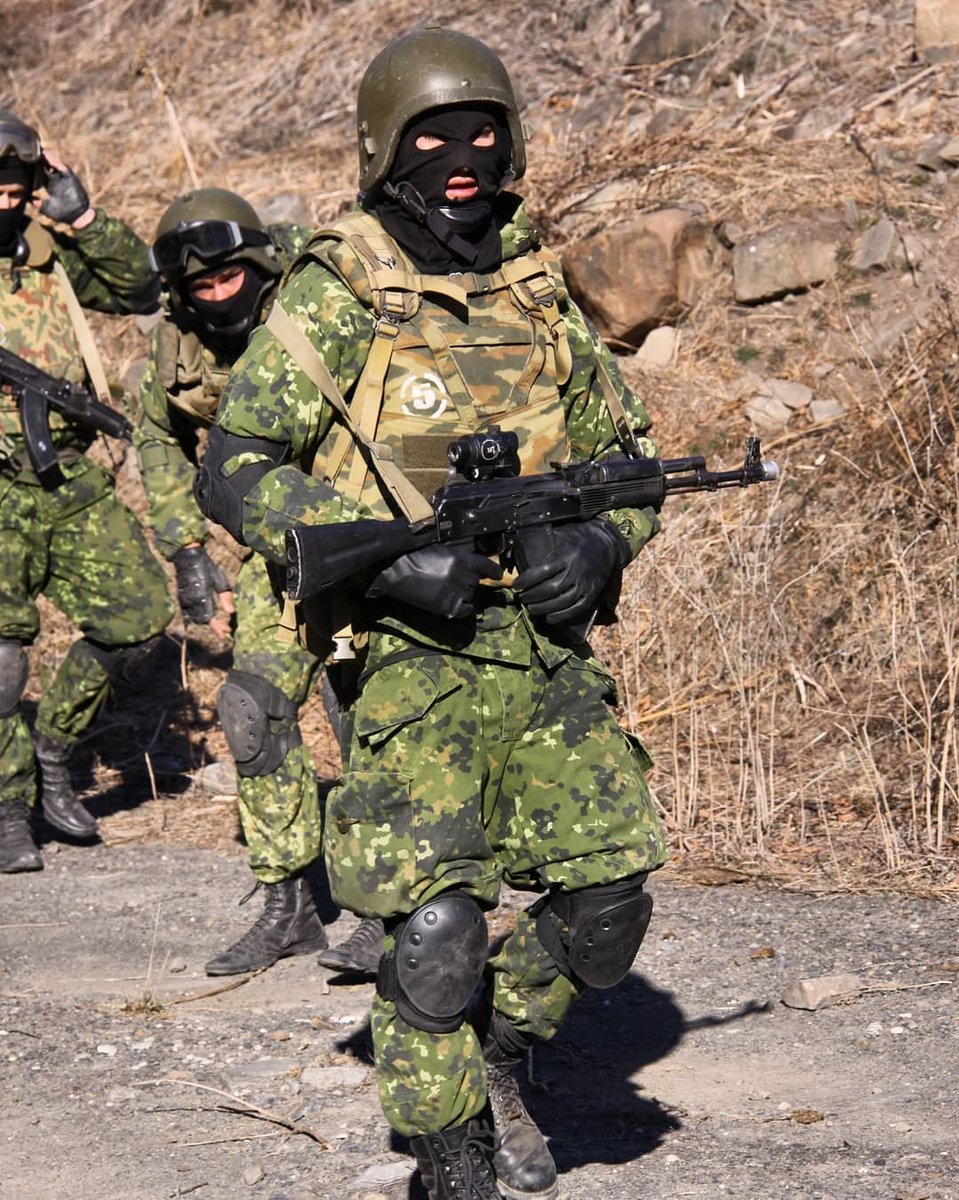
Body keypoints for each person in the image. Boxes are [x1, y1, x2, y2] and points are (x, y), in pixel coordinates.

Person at [196, 25, 668, 1200]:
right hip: (409, 658)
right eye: (432, 135)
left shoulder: (536, 285)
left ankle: (501, 1058)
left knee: (606, 909)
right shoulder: (344, 282)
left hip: (546, 654)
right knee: (438, 932)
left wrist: (600, 543)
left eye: (483, 131)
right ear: (382, 147)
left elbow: (632, 460)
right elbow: (237, 458)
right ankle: (448, 1153)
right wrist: (382, 567)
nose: (462, 156)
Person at [136, 187, 383, 978]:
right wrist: (185, 548)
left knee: (366, 718)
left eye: (227, 279)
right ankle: (290, 910)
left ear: (258, 264)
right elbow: (158, 435)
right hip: (276, 556)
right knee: (250, 708)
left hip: (364, 540)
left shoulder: (320, 297)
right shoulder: (179, 346)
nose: (216, 297)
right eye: (198, 287)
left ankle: (395, 908)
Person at [0, 108, 174, 874]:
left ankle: (52, 751)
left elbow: (140, 287)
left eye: (16, 188)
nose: (4, 202)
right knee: (3, 660)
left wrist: (86, 217)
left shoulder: (50, 257)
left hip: (68, 473)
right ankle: (7, 812)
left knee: (137, 618)